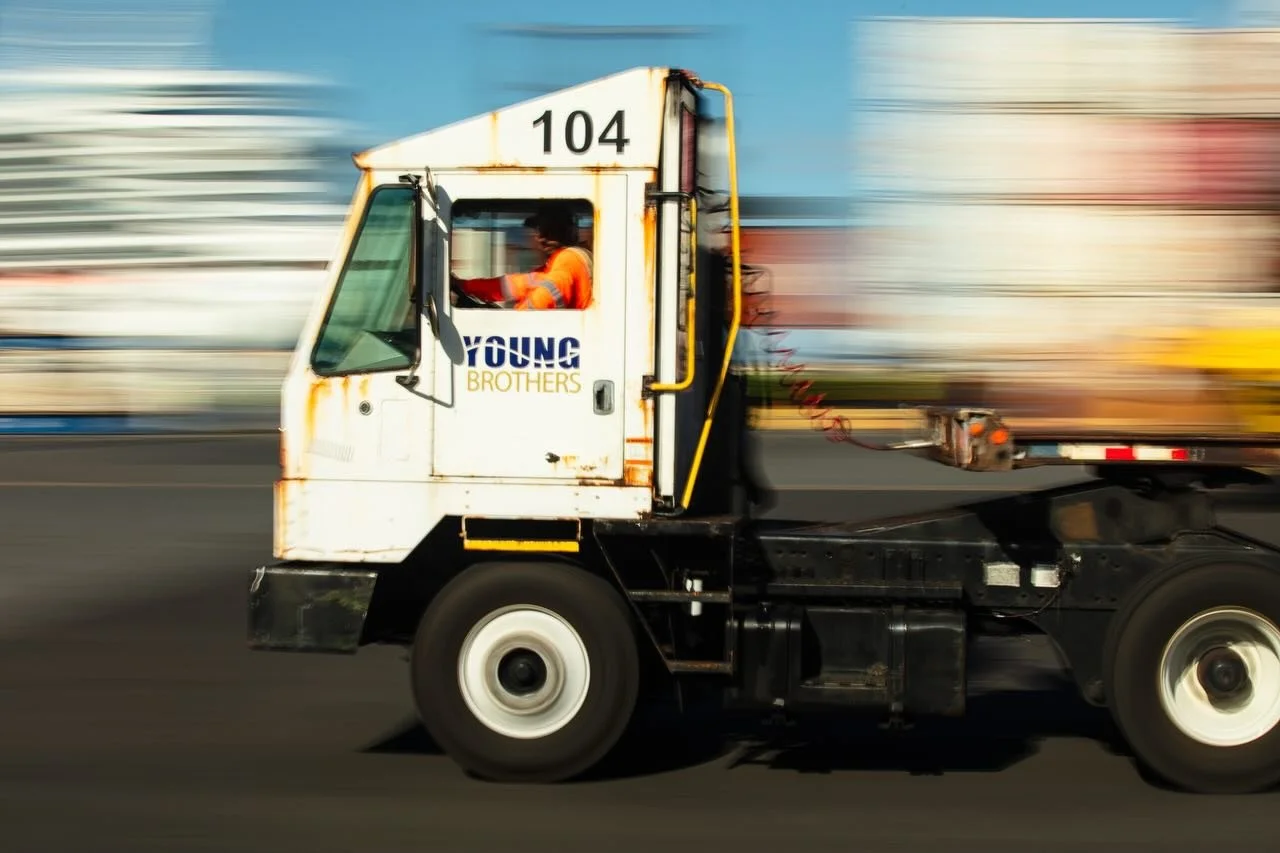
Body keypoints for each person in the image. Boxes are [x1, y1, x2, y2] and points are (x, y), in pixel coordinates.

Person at [450, 203, 593, 310]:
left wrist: (516, 319)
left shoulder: (570, 258)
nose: (542, 237)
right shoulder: (552, 266)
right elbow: (514, 284)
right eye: (539, 229)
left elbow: (547, 295)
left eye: (550, 229)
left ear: (568, 231)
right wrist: (463, 285)